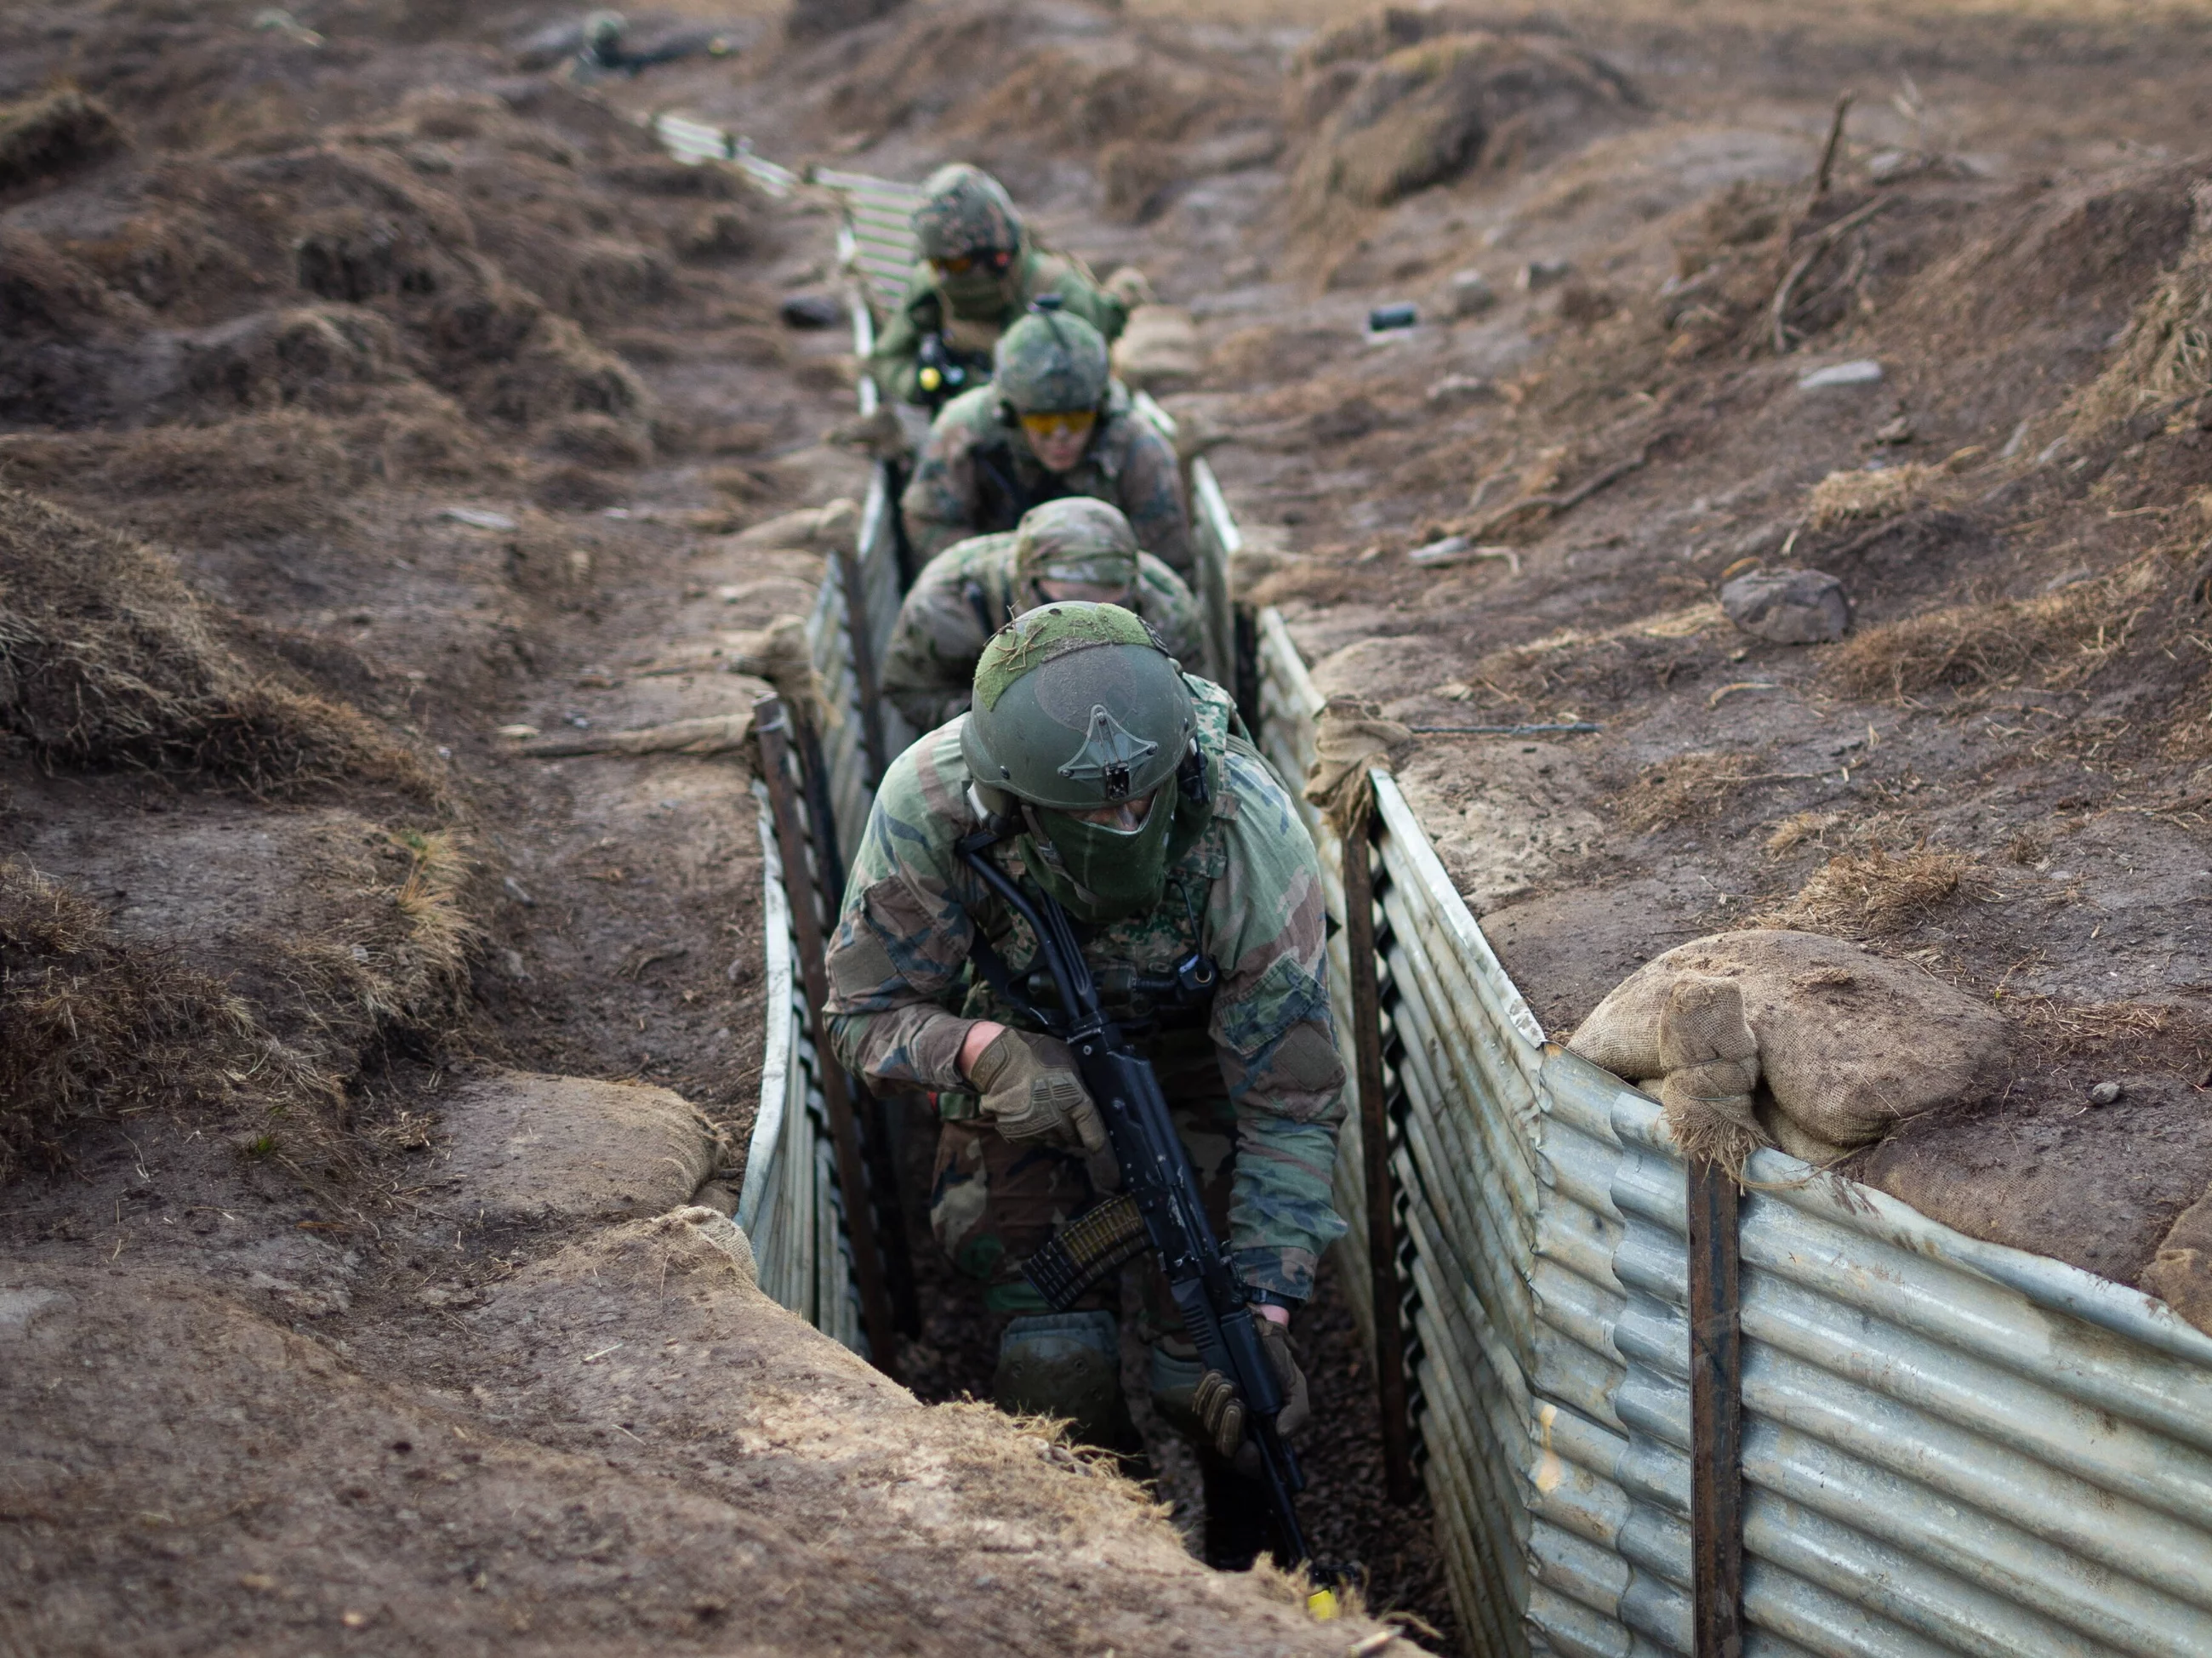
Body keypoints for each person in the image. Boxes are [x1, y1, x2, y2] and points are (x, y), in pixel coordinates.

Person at [822, 603, 1347, 1568]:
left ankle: (1239, 1556)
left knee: (1222, 1378)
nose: (1119, 823)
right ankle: (1114, 1559)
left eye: (1137, 799)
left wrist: (1267, 1304)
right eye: (1088, 810)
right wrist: (983, 1050)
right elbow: (860, 1015)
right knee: (1054, 1367)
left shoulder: (1247, 835)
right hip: (1022, 1080)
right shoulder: (931, 809)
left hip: (1201, 1076)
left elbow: (1290, 1099)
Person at [901, 308, 1191, 578]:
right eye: (1043, 423)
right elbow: (929, 525)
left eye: (1077, 420)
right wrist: (1012, 568)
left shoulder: (1136, 447)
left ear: (1099, 412)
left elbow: (1167, 559)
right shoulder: (964, 434)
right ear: (1012, 415)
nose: (1060, 437)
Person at [879, 499, 1206, 734]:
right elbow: (910, 689)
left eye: (1109, 607)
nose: (1084, 620)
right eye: (1065, 602)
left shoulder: (1167, 608)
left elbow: (1193, 704)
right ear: (1026, 582)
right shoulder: (947, 603)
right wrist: (991, 718)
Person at [868, 164, 1128, 415]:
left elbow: (1094, 385)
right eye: (938, 264)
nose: (944, 275)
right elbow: (886, 359)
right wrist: (921, 383)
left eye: (956, 264)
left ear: (997, 257)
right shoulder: (930, 286)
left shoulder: (1059, 291)